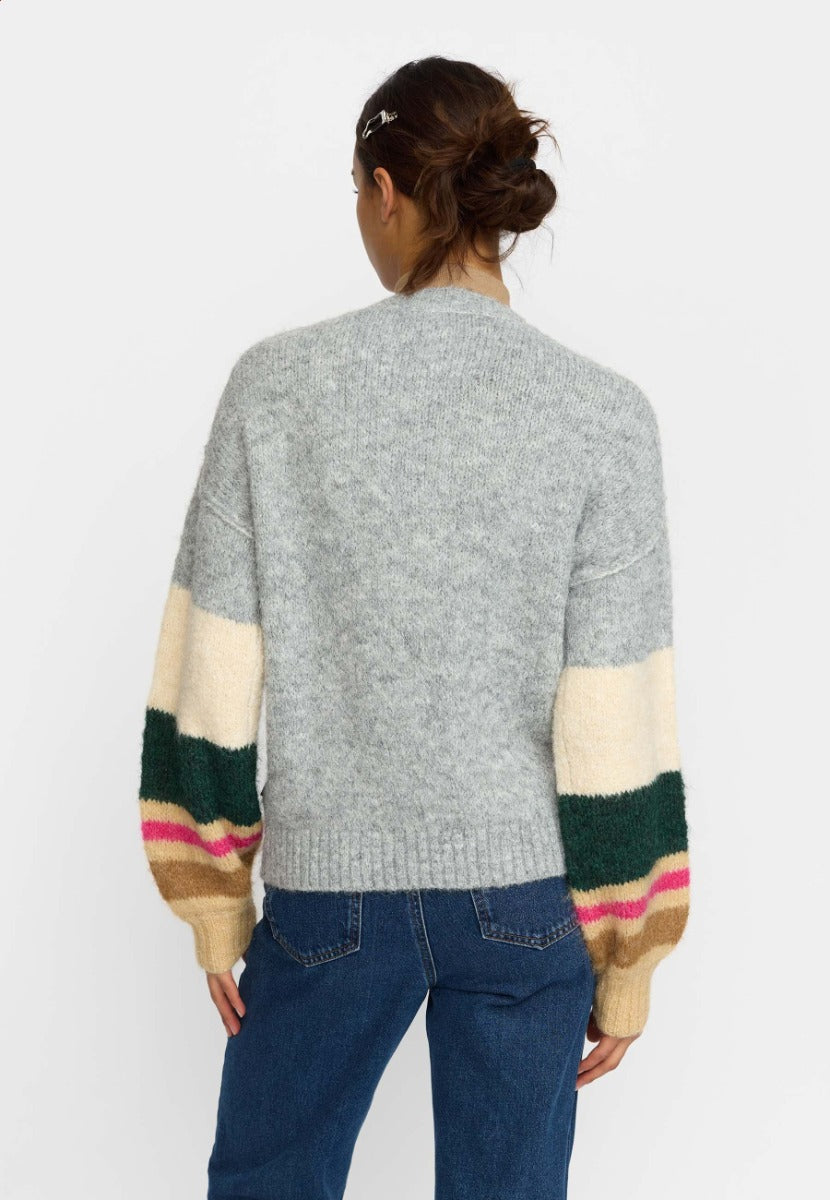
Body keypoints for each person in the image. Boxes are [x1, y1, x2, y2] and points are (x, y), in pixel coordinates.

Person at [136, 55, 691, 1200]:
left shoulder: (275, 390)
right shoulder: (603, 416)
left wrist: (212, 901)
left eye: (356, 191)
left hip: (327, 895)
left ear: (386, 190)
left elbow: (211, 667)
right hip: (524, 899)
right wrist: (626, 958)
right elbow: (614, 718)